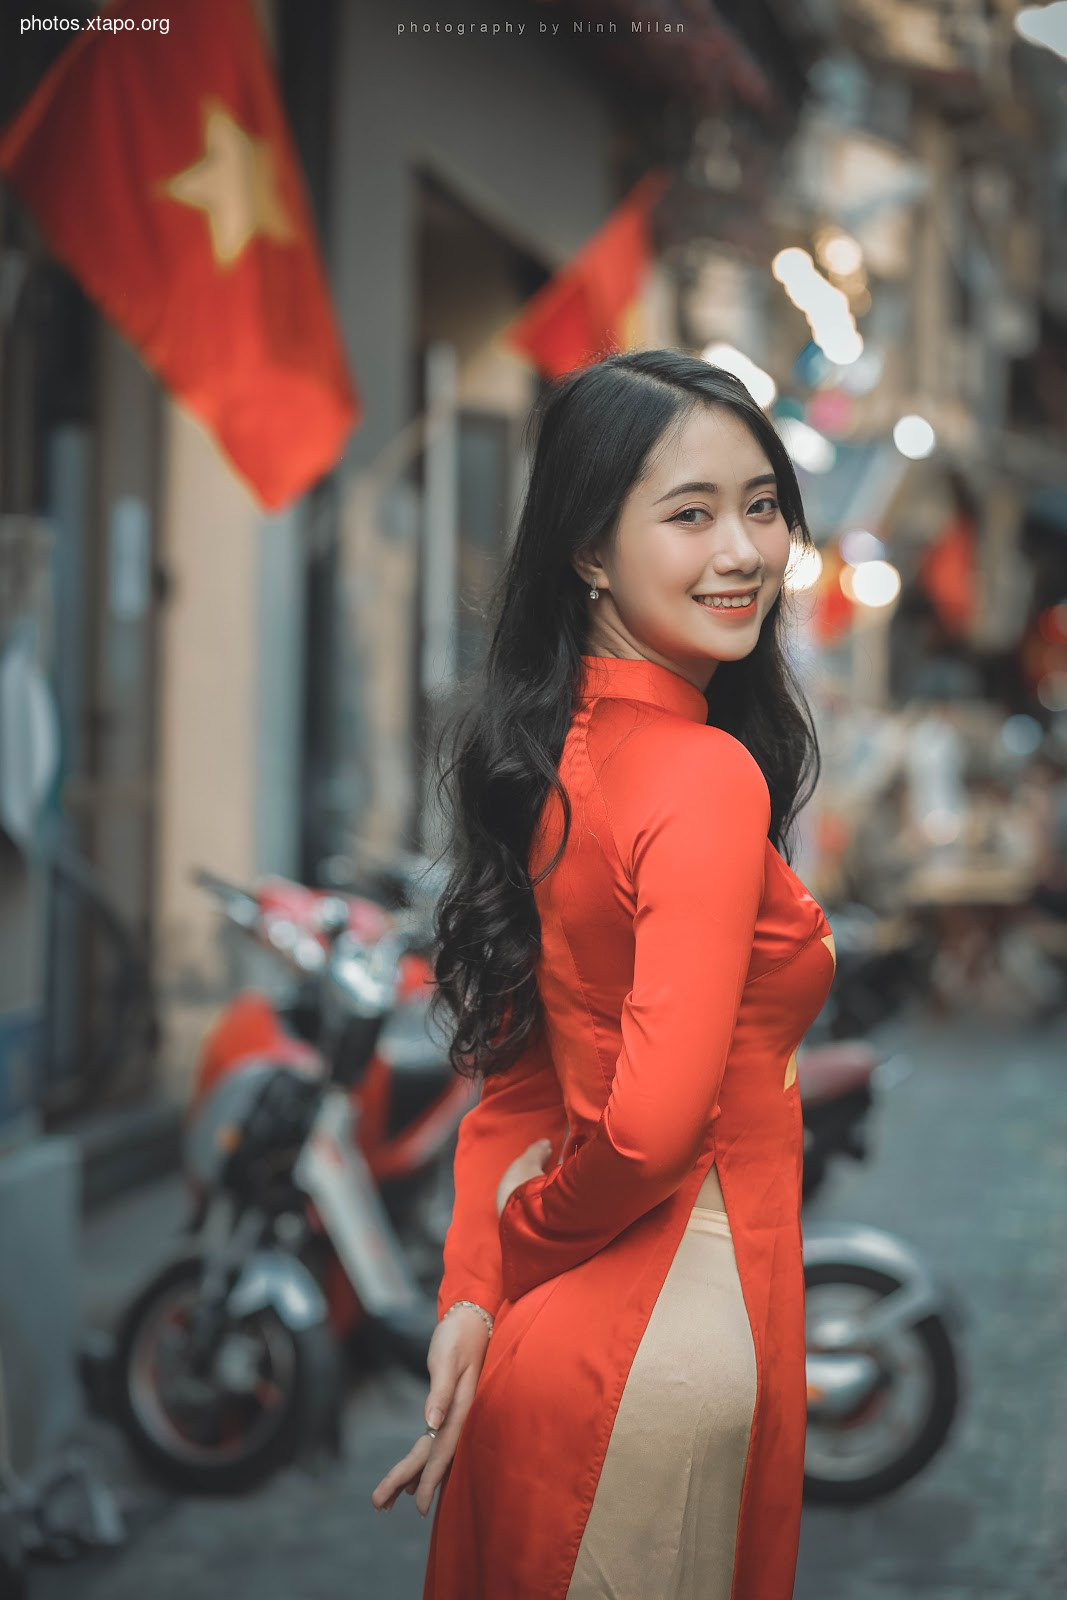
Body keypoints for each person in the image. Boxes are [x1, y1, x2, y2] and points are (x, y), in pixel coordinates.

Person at [371, 349, 836, 1600]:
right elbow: (645, 1128)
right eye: (689, 513)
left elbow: (518, 1083)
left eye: (760, 503)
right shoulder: (700, 778)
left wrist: (478, 1289)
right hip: (665, 1343)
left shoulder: (558, 756)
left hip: (560, 1351)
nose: (741, 549)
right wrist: (519, 1243)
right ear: (588, 548)